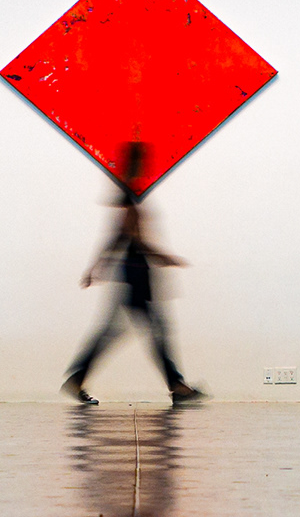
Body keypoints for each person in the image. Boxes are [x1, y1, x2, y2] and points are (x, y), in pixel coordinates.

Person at [62, 142, 207, 407]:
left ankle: (78, 378)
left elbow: (118, 236)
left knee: (125, 331)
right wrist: (166, 257)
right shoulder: (130, 194)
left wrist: (97, 267)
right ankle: (176, 385)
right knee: (154, 331)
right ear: (138, 163)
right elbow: (132, 237)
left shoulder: (128, 193)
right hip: (137, 274)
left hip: (133, 273)